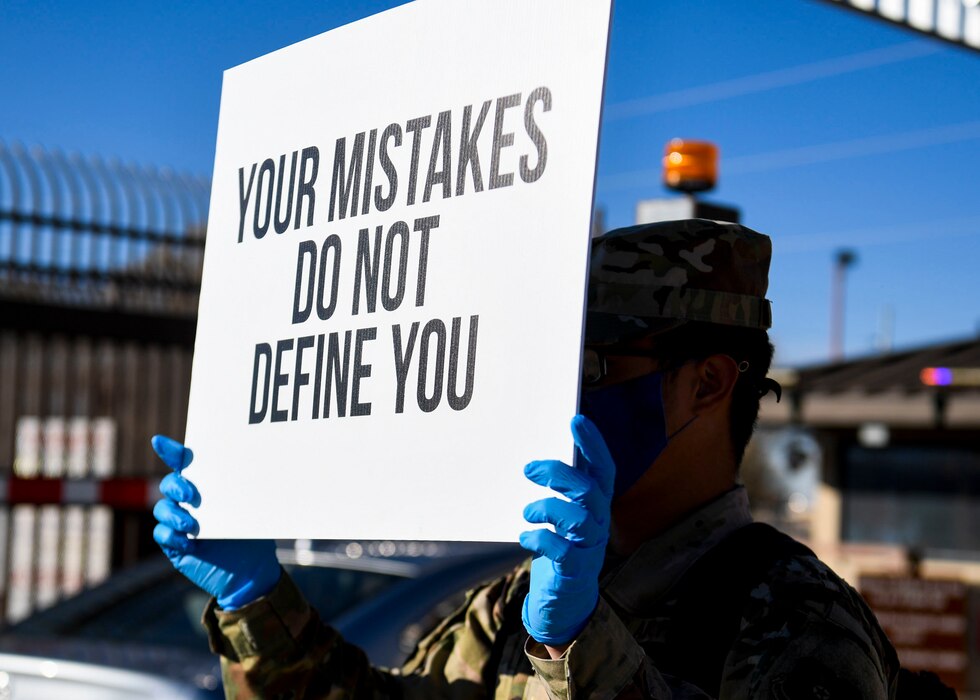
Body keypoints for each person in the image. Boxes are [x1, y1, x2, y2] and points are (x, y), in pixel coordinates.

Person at [153, 219, 901, 699]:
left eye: (590, 366)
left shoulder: (798, 620)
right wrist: (256, 601)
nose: (560, 396)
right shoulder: (518, 597)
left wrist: (576, 648)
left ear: (706, 383)